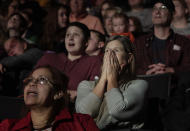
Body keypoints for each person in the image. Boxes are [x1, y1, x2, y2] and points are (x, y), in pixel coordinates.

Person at [76, 35, 148, 130]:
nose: (110, 55)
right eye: (107, 51)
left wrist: (111, 77)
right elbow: (84, 114)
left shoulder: (139, 85)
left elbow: (117, 110)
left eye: (116, 51)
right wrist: (104, 78)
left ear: (129, 58)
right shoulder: (86, 85)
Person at [0, 66, 100, 131]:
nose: (32, 83)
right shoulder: (8, 127)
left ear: (58, 93)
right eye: (29, 80)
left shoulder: (82, 123)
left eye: (42, 80)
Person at [36, 22, 102, 101]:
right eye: (67, 35)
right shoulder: (49, 58)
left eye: (76, 35)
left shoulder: (93, 62)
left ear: (86, 42)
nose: (70, 38)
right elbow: (32, 82)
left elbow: (94, 92)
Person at [134, 0, 190, 75]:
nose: (157, 12)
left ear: (172, 14)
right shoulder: (139, 42)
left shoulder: (183, 42)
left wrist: (171, 70)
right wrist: (146, 73)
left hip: (174, 85)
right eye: (154, 8)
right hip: (146, 84)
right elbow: (131, 68)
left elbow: (187, 68)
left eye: (163, 8)